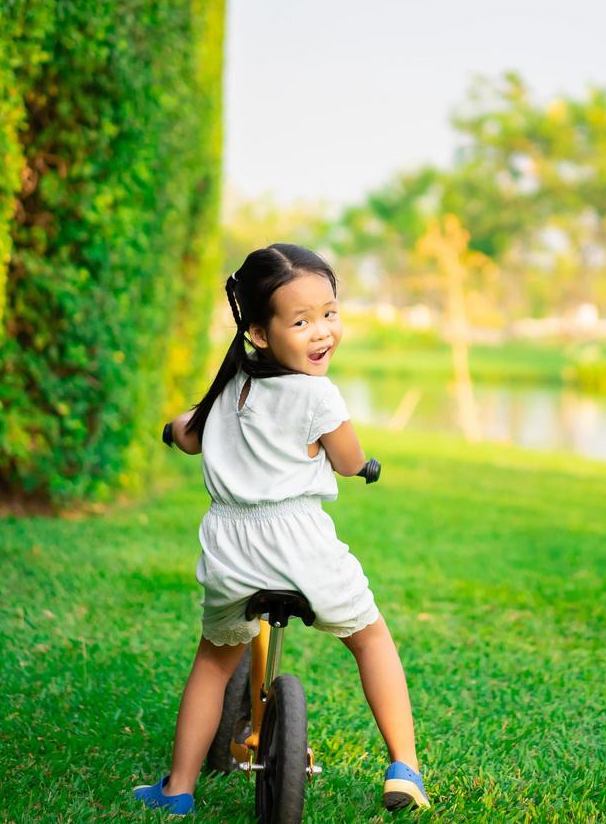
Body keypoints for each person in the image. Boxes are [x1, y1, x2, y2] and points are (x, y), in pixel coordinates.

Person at [132, 243, 430, 815]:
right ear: (261, 333)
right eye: (301, 321)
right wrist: (363, 465)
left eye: (329, 313)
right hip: (299, 544)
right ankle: (404, 764)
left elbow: (189, 432)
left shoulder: (230, 386)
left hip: (231, 548)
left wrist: (171, 429)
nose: (321, 332)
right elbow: (347, 459)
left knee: (213, 663)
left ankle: (178, 790)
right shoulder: (318, 394)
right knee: (369, 639)